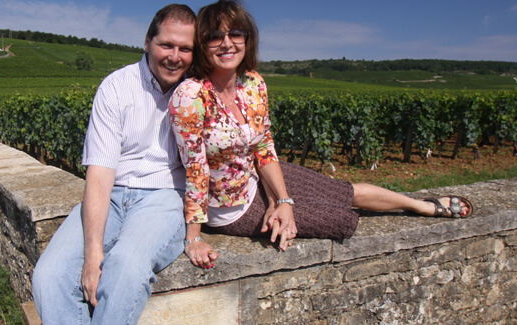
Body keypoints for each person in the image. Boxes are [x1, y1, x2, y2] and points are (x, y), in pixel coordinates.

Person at [169, 0, 473, 269]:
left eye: (236, 34)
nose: (227, 43)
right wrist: (193, 238)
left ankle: (422, 205)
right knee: (338, 219)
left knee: (344, 192)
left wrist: (282, 200)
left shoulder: (254, 84)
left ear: (247, 39)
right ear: (202, 45)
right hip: (229, 210)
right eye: (214, 37)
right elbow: (196, 171)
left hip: (260, 179)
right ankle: (416, 205)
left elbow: (264, 147)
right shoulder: (190, 96)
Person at [31, 4, 195, 324]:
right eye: (166, 45)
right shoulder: (117, 87)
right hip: (114, 193)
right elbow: (101, 172)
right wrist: (93, 253)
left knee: (126, 267)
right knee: (49, 277)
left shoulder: (197, 93)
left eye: (185, 48)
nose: (175, 56)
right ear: (147, 41)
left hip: (165, 197)